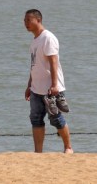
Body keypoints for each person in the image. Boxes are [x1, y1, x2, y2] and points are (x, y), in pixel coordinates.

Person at [23, 8, 73, 153]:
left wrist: (55, 85)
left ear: (38, 20)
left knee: (56, 118)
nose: (25, 23)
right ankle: (38, 151)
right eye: (24, 20)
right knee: (36, 119)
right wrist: (29, 85)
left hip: (51, 88)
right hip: (36, 88)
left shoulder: (48, 38)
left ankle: (68, 147)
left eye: (28, 20)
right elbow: (34, 65)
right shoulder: (34, 41)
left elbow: (53, 62)